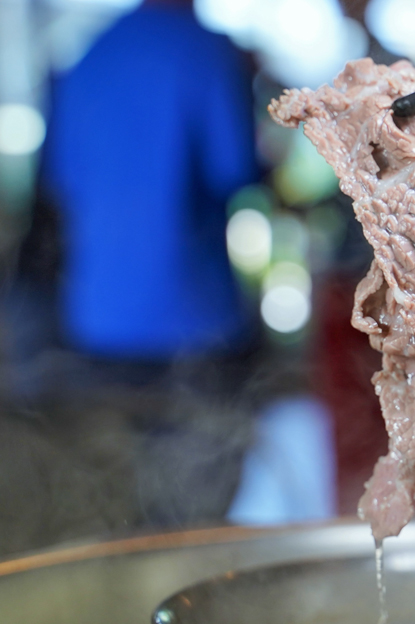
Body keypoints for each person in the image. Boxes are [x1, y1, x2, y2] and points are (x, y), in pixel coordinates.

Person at [39, 0, 262, 526]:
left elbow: (60, 182)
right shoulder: (205, 48)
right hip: (192, 325)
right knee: (194, 514)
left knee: (117, 509)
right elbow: (235, 170)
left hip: (97, 324)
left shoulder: (89, 53)